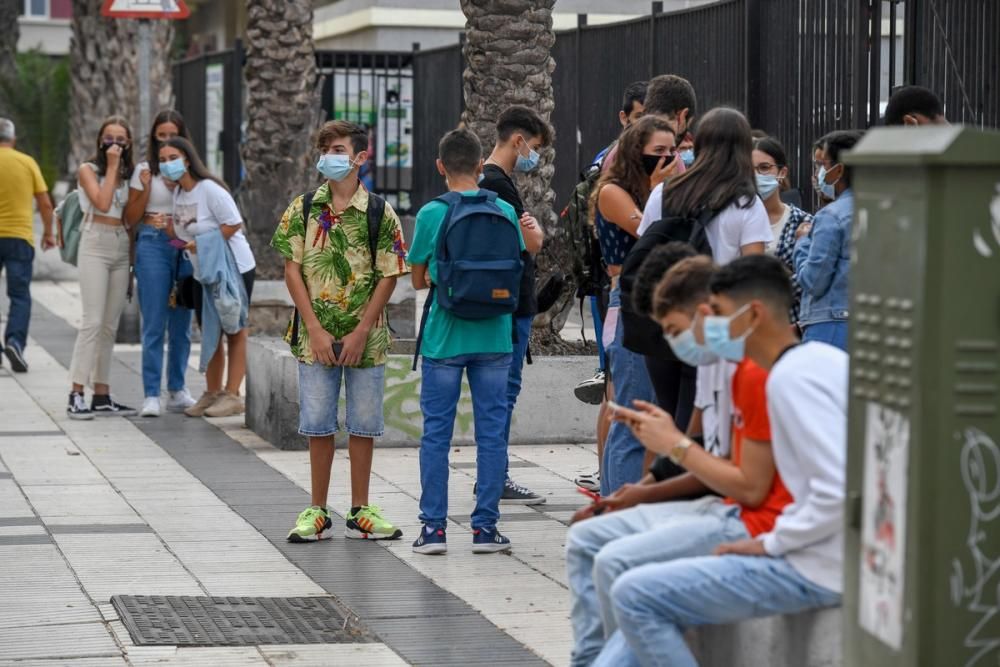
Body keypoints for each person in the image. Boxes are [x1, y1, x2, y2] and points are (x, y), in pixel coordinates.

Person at [602, 254, 847, 666]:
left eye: (716, 313)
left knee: (633, 593)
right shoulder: (819, 361)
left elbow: (834, 491)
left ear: (753, 314)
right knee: (636, 592)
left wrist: (770, 544)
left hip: (814, 566)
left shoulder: (785, 378)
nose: (708, 324)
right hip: (812, 553)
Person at [567, 255, 792, 666]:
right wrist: (644, 486)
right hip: (743, 515)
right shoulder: (725, 368)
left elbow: (747, 484)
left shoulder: (766, 372)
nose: (674, 345)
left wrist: (672, 448)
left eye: (717, 314)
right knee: (595, 549)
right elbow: (716, 457)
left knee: (625, 578)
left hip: (751, 523)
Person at [271, 120, 409, 542]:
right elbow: (291, 270)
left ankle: (360, 508)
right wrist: (312, 327)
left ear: (360, 157)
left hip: (365, 339)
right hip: (315, 339)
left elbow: (390, 274)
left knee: (364, 424)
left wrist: (362, 330)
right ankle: (316, 509)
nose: (330, 155)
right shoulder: (304, 208)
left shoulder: (380, 213)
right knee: (317, 423)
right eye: (325, 147)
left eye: (339, 148)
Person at [407, 128, 525, 555]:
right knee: (492, 433)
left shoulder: (430, 214)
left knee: (436, 434)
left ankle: (434, 531)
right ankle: (485, 530)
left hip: (445, 337)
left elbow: (418, 277)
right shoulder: (505, 210)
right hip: (495, 334)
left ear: (440, 166)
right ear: (480, 166)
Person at [638, 106, 771, 478]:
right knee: (700, 426)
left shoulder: (664, 193)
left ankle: (658, 498)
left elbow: (644, 250)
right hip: (717, 331)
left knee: (669, 420)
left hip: (666, 324)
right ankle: (690, 496)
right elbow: (753, 274)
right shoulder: (747, 204)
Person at [593, 115, 680, 495]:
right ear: (635, 153)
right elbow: (647, 231)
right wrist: (660, 189)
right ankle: (616, 505)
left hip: (658, 301)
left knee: (647, 411)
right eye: (657, 151)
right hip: (627, 302)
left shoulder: (662, 191)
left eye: (672, 151)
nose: (667, 158)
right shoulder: (612, 191)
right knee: (630, 411)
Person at [574, 80, 648, 495]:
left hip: (628, 292)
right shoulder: (615, 170)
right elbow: (645, 228)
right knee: (616, 391)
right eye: (639, 119)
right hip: (615, 288)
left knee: (622, 392)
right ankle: (610, 485)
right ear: (625, 119)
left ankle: (612, 484)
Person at [479, 105, 548, 506]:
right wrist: (534, 232)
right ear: (518, 140)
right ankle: (496, 477)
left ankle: (493, 475)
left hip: (506, 303)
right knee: (504, 393)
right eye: (534, 147)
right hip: (512, 304)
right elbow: (532, 241)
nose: (534, 156)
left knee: (501, 393)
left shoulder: (490, 179)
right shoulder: (499, 184)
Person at [159, 136, 255, 418]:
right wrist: (168, 231)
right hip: (203, 272)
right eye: (163, 161)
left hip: (232, 268)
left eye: (173, 158)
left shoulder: (210, 190)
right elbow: (183, 240)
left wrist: (200, 245)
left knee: (234, 327)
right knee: (210, 329)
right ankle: (212, 392)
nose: (168, 165)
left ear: (187, 159)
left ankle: (233, 393)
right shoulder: (178, 195)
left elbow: (234, 224)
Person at [125, 110, 197, 417]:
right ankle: (151, 393)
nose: (167, 140)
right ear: (154, 138)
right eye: (161, 135)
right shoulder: (144, 170)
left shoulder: (190, 170)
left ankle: (177, 389)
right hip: (153, 243)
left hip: (184, 245)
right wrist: (145, 187)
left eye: (173, 135)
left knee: (182, 322)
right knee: (154, 321)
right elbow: (130, 218)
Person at [66, 116, 137, 419]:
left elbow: (131, 218)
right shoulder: (89, 170)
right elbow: (104, 203)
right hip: (94, 243)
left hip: (121, 246)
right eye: (109, 138)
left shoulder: (130, 174)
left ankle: (102, 393)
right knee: (92, 322)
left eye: (120, 139)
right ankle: (76, 391)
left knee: (109, 325)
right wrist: (110, 167)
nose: (114, 145)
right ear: (100, 141)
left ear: (129, 143)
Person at [795, 130, 863, 351]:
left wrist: (803, 242)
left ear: (839, 169)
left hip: (831, 324)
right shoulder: (885, 210)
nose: (818, 173)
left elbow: (814, 281)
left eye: (822, 164)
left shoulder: (831, 216)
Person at [0, 118, 56, 373]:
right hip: (19, 238)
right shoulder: (26, 162)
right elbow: (45, 203)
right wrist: (49, 233)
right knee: (20, 295)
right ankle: (15, 342)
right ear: (13, 138)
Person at [752, 135, 812, 323]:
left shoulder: (802, 222)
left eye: (764, 168)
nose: (756, 176)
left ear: (782, 172)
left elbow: (810, 278)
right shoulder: (733, 220)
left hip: (790, 324)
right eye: (749, 170)